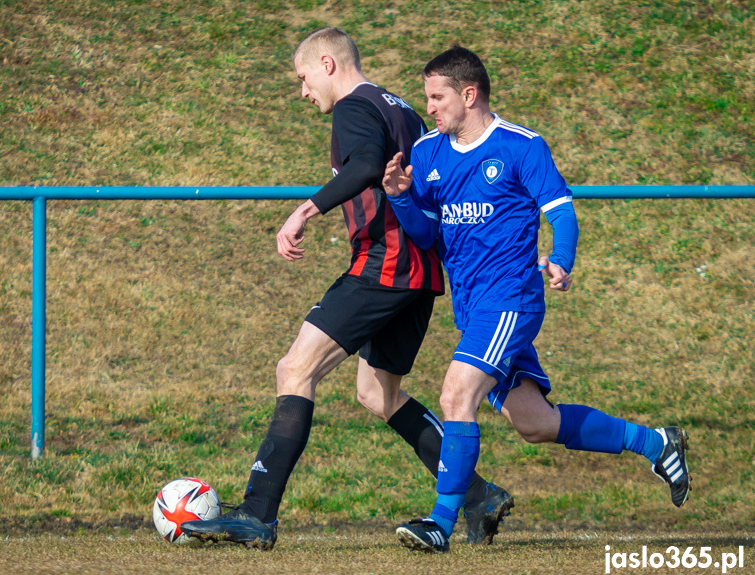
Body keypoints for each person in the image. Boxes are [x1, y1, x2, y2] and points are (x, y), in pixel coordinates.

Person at [180, 28, 514, 550]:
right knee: (377, 393)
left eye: (303, 77)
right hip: (419, 271)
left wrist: (303, 211)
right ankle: (476, 495)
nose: (303, 90)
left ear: (329, 64)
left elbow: (362, 166)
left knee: (294, 368)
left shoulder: (353, 107)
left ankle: (258, 512)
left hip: (387, 263)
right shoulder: (402, 107)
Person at [382, 45, 692, 553]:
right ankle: (656, 442)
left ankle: (440, 523)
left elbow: (561, 211)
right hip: (474, 308)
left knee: (456, 394)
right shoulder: (427, 154)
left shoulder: (521, 146)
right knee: (536, 424)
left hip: (512, 300)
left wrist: (562, 259)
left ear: (469, 93)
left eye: (437, 98)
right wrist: (399, 197)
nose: (429, 109)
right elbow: (426, 236)